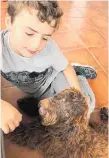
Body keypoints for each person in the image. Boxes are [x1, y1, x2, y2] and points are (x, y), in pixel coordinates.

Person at [0, 1, 97, 135]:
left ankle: (78, 73)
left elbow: (66, 68)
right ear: (9, 21)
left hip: (54, 79)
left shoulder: (50, 49)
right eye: (29, 33)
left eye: (45, 38)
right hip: (38, 91)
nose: (36, 45)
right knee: (53, 116)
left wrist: (78, 95)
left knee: (84, 108)